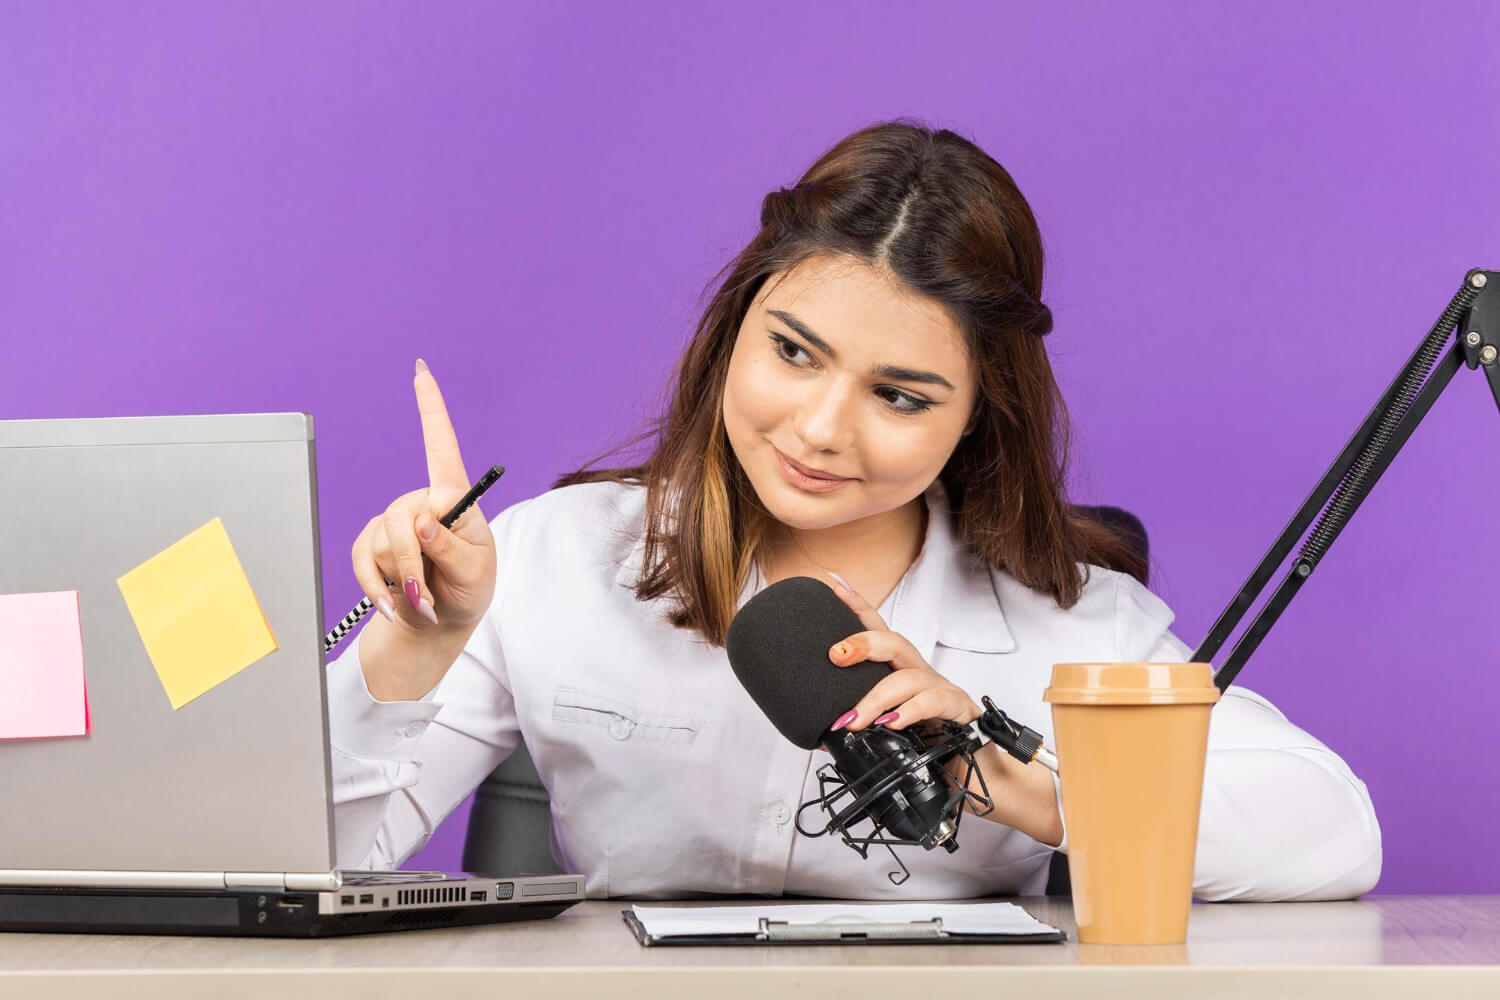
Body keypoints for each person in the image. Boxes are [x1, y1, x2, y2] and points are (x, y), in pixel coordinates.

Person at [326, 120, 1381, 902]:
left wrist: (1028, 783)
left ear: (975, 416)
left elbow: (1335, 831)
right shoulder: (553, 559)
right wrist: (412, 653)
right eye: (794, 352)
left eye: (900, 395)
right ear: (735, 329)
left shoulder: (1068, 620)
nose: (822, 427)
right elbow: (300, 861)